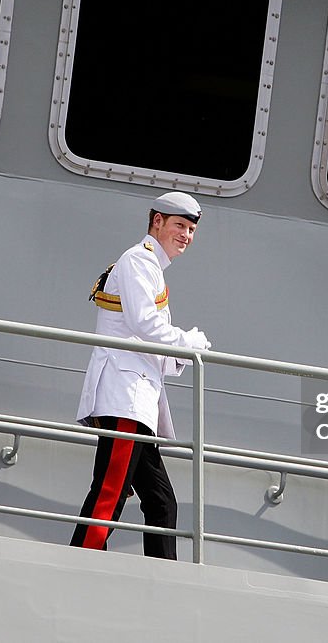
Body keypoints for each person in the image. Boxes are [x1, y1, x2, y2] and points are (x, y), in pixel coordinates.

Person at [70, 192, 211, 559]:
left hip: (138, 402)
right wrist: (187, 342)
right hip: (125, 398)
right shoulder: (138, 261)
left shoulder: (150, 269)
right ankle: (78, 564)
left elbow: (141, 336)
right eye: (180, 225)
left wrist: (177, 352)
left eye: (191, 229)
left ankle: (163, 579)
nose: (186, 235)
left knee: (162, 503)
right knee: (110, 493)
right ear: (157, 221)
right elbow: (143, 323)